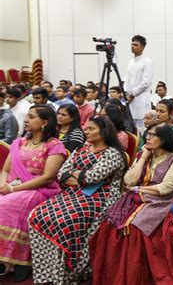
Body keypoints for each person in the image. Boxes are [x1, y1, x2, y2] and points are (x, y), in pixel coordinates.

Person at [28, 116, 127, 284]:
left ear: (103, 132)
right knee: (36, 215)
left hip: (101, 198)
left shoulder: (113, 153)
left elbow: (93, 176)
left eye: (91, 129)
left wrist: (75, 174)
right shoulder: (81, 149)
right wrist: (79, 177)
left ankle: (69, 272)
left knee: (65, 221)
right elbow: (61, 174)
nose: (86, 132)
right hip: (72, 195)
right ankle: (48, 274)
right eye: (86, 128)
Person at [89, 124, 173, 285]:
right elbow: (128, 180)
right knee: (109, 225)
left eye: (152, 135)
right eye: (147, 134)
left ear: (164, 139)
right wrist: (143, 158)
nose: (148, 138)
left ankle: (134, 278)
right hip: (135, 198)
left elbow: (165, 189)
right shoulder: (142, 156)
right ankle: (112, 277)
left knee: (134, 228)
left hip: (159, 202)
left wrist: (137, 188)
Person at [0, 105, 66, 282]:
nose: (26, 119)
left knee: (5, 205)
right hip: (12, 187)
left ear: (44, 122)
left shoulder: (55, 145)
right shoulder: (19, 142)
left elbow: (48, 177)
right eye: (27, 116)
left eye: (31, 116)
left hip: (40, 190)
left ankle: (20, 260)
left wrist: (12, 189)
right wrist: (3, 185)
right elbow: (5, 170)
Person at [124, 35, 153, 128]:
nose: (132, 47)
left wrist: (133, 94)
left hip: (141, 99)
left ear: (142, 47)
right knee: (130, 126)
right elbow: (126, 79)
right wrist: (126, 93)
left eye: (135, 45)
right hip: (129, 99)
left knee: (141, 127)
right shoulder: (131, 61)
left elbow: (146, 82)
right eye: (132, 44)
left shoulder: (147, 62)